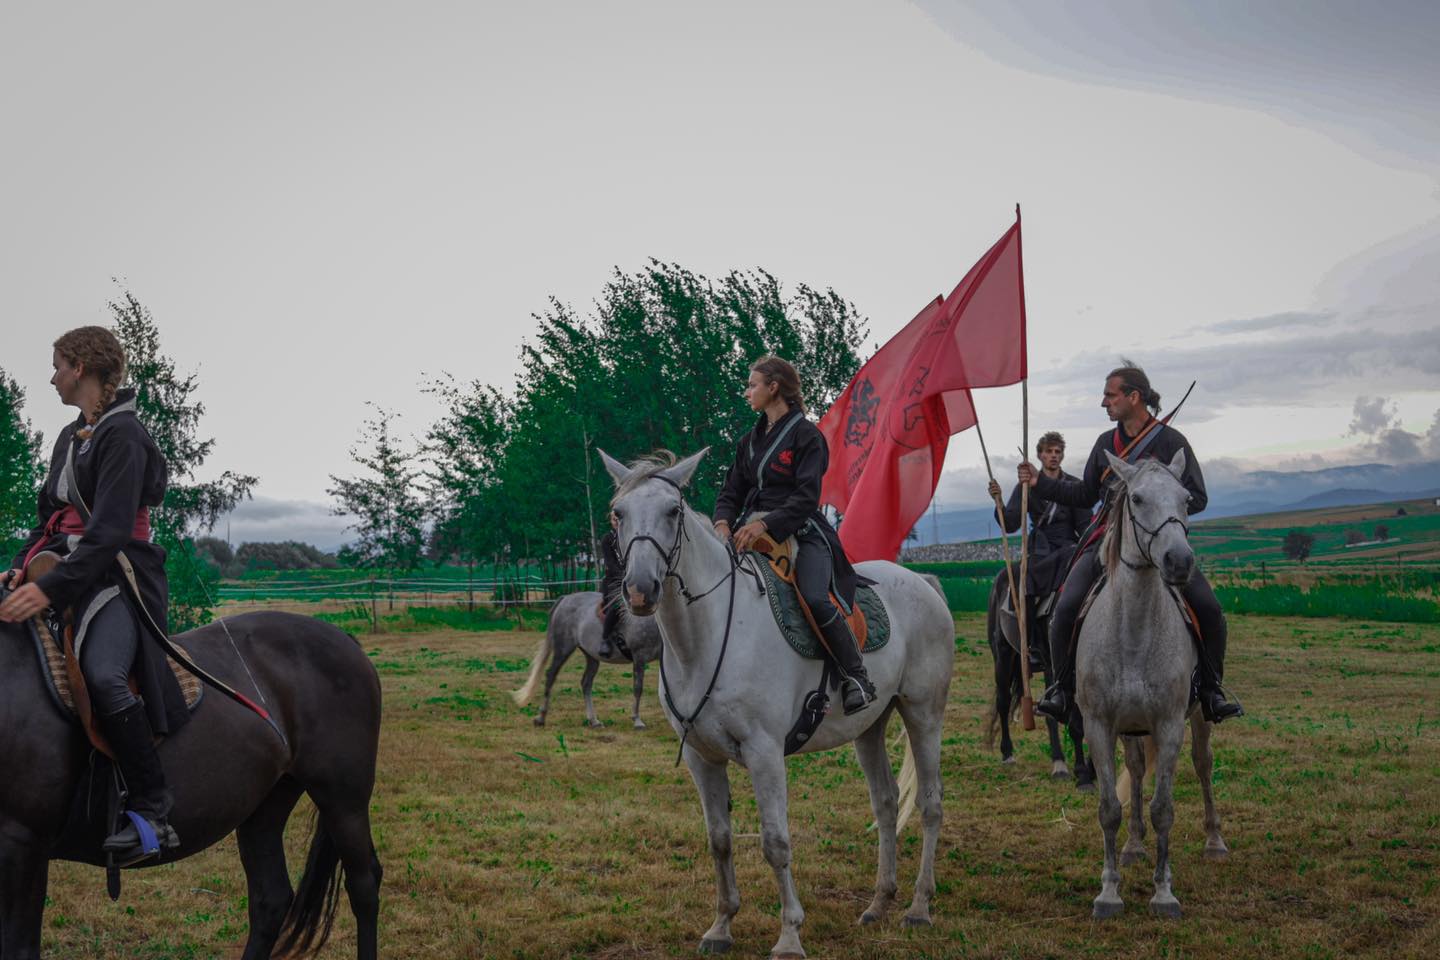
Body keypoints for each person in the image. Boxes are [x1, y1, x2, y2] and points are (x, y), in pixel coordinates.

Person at [0, 326, 189, 863]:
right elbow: (47, 520)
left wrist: (50, 590)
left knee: (104, 676)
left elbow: (106, 534)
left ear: (81, 367)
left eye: (58, 364)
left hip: (119, 575)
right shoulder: (69, 435)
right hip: (60, 564)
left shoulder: (124, 435)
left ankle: (154, 807)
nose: (53, 375)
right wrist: (18, 571)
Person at [1020, 362, 1242, 724]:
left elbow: (1197, 497)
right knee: (1064, 609)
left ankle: (1211, 690)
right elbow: (1084, 493)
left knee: (1211, 611)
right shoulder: (1105, 444)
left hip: (1161, 545)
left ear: (1133, 397)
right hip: (1107, 540)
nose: (1104, 403)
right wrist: (1039, 484)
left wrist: (1161, 509)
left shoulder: (1173, 443)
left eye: (1110, 395)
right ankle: (1062, 689)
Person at [713, 356, 875, 715]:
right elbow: (731, 491)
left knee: (815, 598)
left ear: (774, 388)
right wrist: (723, 522)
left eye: (752, 385)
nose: (746, 392)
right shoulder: (749, 441)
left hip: (801, 531)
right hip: (747, 533)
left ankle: (857, 677)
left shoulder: (807, 436)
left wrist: (767, 524)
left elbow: (806, 497)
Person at [987, 430, 1091, 601]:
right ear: (1040, 455)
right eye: (1049, 451)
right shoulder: (1025, 487)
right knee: (1020, 585)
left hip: (1067, 548)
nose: (1053, 455)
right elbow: (1011, 524)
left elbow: (1084, 526)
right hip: (1040, 551)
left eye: (1058, 452)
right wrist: (998, 502)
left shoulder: (1074, 486)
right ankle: (1027, 627)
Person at [595, 513, 627, 659]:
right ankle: (605, 639)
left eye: (618, 519)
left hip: (630, 579)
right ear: (611, 521)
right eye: (614, 519)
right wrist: (623, 575)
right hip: (613, 581)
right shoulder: (607, 539)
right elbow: (610, 563)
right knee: (616, 605)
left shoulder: (628, 536)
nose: (616, 522)